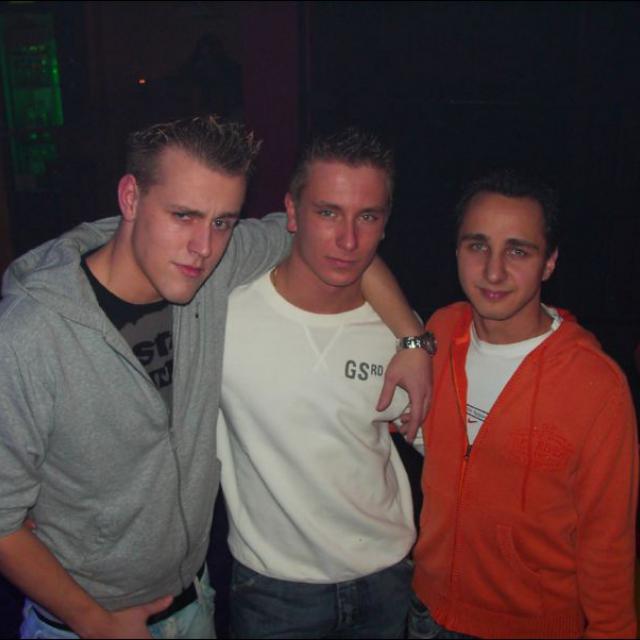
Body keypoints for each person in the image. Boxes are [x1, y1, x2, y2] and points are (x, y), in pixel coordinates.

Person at [0, 116, 431, 639]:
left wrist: (412, 338)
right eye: (183, 215)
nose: (202, 247)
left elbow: (342, 247)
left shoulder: (218, 269)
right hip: (79, 623)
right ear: (131, 197)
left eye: (223, 221)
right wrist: (92, 620)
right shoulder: (30, 335)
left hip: (194, 602)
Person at [217, 128, 436, 639]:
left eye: (368, 217)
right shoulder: (226, 315)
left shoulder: (403, 337)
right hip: (273, 594)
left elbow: (443, 447)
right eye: (328, 212)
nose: (348, 240)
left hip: (387, 580)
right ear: (291, 213)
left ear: (385, 225)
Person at [410, 170, 638, 639]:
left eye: (518, 251)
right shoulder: (439, 332)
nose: (493, 272)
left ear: (549, 263)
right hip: (426, 612)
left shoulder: (596, 386)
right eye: (477, 246)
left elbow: (608, 543)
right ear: (456, 251)